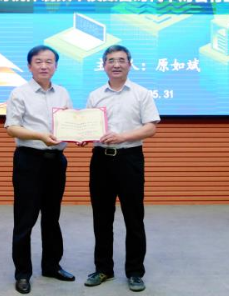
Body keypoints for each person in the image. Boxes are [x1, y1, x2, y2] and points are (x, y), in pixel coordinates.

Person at [82, 45, 160, 292]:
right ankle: (103, 268)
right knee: (101, 217)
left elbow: (151, 127)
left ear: (129, 64)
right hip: (101, 160)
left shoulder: (141, 93)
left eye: (121, 60)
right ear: (104, 65)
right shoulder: (95, 95)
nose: (116, 64)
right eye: (111, 60)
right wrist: (83, 136)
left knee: (134, 217)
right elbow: (88, 125)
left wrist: (122, 137)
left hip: (130, 159)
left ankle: (135, 272)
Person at [4, 45, 76, 294]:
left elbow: (70, 123)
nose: (44, 66)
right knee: (25, 219)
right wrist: (40, 136)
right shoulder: (19, 93)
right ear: (29, 66)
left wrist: (78, 134)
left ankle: (51, 266)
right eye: (38, 61)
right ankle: (23, 273)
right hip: (29, 160)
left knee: (52, 217)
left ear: (55, 66)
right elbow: (12, 127)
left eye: (49, 61)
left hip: (56, 161)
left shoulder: (63, 93)